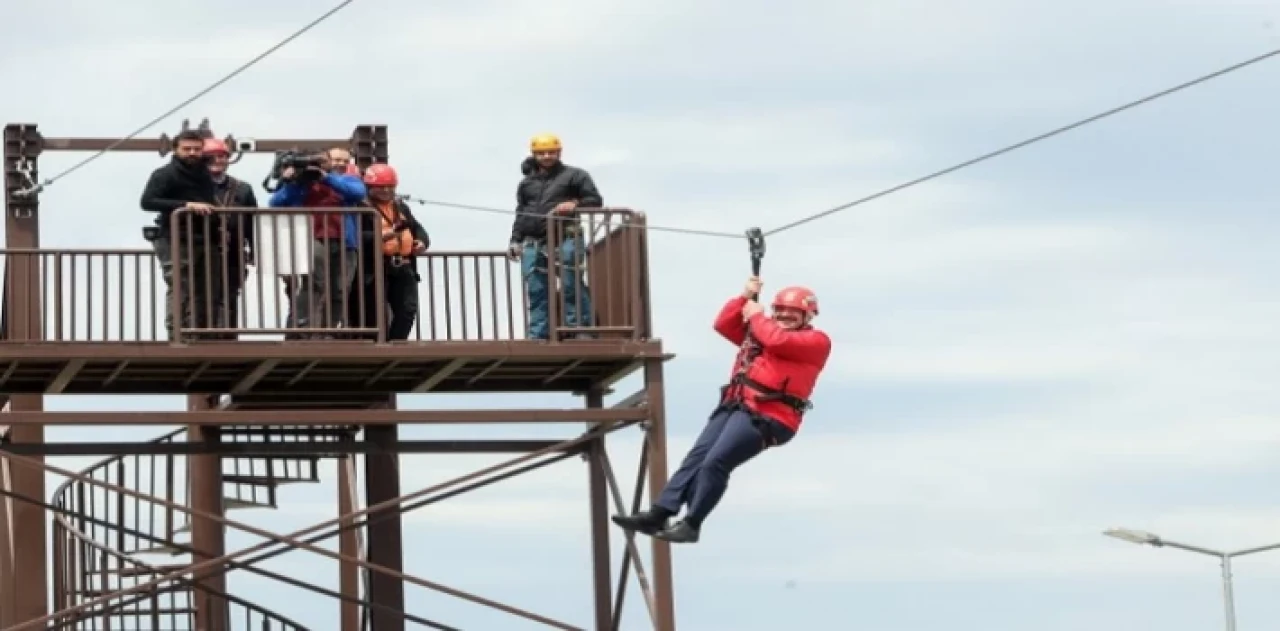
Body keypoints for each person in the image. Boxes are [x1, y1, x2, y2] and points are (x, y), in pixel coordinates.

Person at [611, 278, 831, 543]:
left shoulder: (815, 342)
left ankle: (692, 523)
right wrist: (744, 297)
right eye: (779, 310)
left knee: (716, 462)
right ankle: (660, 512)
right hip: (737, 405)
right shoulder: (763, 333)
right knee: (696, 458)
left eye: (792, 312)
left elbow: (777, 341)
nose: (784, 315)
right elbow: (724, 325)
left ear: (807, 315)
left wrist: (757, 315)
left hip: (770, 415)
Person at [505, 133, 602, 341]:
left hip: (565, 236)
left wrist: (575, 204)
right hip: (533, 240)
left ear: (559, 152)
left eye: (551, 152)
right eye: (542, 153)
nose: (547, 156)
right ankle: (539, 335)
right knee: (537, 289)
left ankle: (580, 330)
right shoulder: (526, 184)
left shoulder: (575, 175)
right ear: (535, 155)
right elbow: (521, 212)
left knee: (571, 283)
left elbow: (595, 200)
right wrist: (515, 240)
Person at [267, 148, 366, 335]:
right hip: (312, 238)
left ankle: (327, 332)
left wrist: (325, 177)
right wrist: (292, 182)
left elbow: (357, 193)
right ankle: (300, 330)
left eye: (322, 161)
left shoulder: (346, 179)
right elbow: (276, 203)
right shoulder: (301, 182)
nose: (338, 164)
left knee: (340, 289)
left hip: (345, 242)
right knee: (314, 284)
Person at [139, 129, 221, 335]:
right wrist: (186, 204)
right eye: (187, 149)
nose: (192, 153)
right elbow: (147, 201)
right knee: (179, 286)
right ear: (176, 150)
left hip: (204, 238)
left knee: (206, 290)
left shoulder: (204, 174)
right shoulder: (165, 174)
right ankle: (176, 333)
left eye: (196, 149)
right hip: (174, 238)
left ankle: (199, 333)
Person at [348, 164, 429, 340]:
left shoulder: (400, 207)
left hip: (403, 265)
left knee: (407, 309)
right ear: (369, 187)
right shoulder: (360, 207)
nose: (386, 190)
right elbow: (356, 237)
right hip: (375, 268)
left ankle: (396, 343)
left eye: (390, 186)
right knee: (373, 311)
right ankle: (375, 345)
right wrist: (381, 237)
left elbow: (418, 229)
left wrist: (421, 242)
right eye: (380, 187)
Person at [203, 137, 258, 335]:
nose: (217, 160)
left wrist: (254, 250)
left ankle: (227, 336)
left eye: (222, 156)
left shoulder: (243, 188)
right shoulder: (193, 186)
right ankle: (203, 336)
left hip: (234, 251)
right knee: (202, 295)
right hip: (202, 250)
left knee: (229, 295)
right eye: (212, 156)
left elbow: (252, 221)